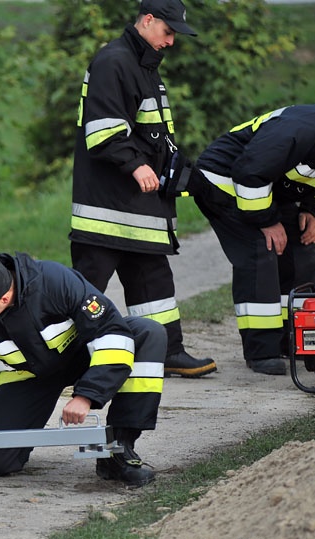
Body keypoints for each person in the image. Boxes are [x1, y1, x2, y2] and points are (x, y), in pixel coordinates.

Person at [0, 253, 166, 488]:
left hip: (83, 357)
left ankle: (119, 451)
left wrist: (87, 395)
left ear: (5, 299)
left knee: (147, 333)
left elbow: (111, 333)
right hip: (27, 375)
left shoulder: (55, 281)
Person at [69, 0, 216, 379]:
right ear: (148, 21)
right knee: (84, 293)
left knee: (154, 283)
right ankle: (58, 359)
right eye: (168, 32)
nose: (170, 42)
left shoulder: (144, 66)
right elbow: (102, 131)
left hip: (139, 208)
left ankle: (166, 352)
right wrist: (136, 165)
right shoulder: (114, 62)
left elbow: (152, 135)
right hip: (107, 210)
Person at [188, 104, 315, 375]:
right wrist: (266, 221)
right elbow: (249, 171)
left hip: (269, 191)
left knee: (304, 245)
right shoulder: (302, 131)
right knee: (261, 249)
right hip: (225, 182)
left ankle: (295, 339)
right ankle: (261, 351)